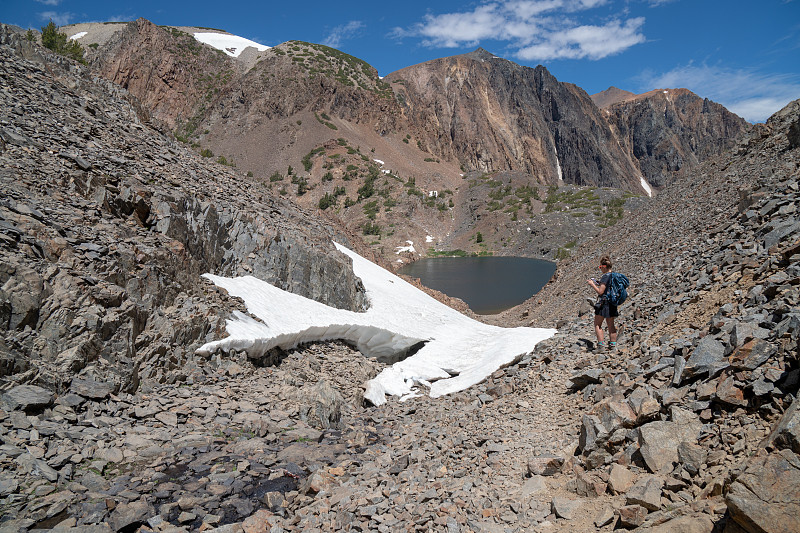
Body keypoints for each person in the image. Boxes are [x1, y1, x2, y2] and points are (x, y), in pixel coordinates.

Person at [587, 256, 618, 351]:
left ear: (604, 266)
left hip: (604, 304)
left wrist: (592, 284)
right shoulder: (614, 275)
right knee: (611, 324)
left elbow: (601, 292)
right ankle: (613, 345)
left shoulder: (605, 276)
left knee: (597, 324)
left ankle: (601, 346)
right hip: (612, 302)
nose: (600, 269)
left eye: (600, 267)